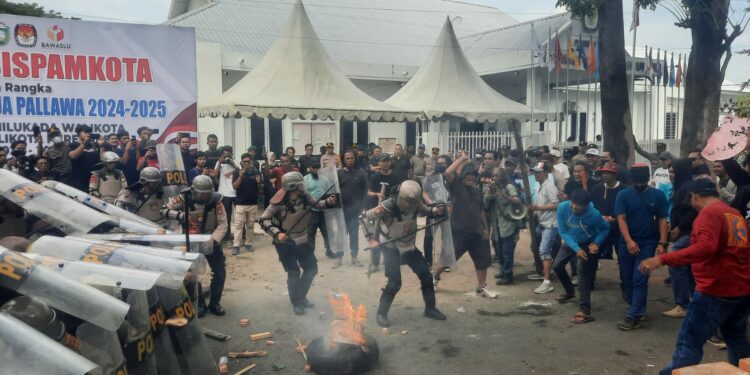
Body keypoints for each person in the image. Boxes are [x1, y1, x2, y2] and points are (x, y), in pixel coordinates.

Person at [638, 178, 750, 374]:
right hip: (740, 290)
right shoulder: (734, 214)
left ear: (694, 196)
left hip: (714, 291)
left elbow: (706, 248)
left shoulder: (708, 214)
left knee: (688, 343)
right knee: (738, 343)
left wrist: (663, 259)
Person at [363, 180, 447, 327]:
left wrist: (436, 211)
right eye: (406, 201)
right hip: (391, 248)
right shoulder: (388, 205)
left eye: (412, 202)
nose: (408, 205)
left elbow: (426, 211)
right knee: (395, 282)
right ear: (399, 197)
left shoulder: (416, 203)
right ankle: (381, 313)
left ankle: (430, 308)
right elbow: (364, 218)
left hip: (409, 247)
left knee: (426, 276)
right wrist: (371, 239)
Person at [258, 172, 338, 315]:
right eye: (301, 183)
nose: (303, 185)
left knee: (311, 269)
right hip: (285, 242)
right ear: (293, 186)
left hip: (302, 238)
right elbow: (263, 220)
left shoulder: (305, 196)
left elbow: (317, 204)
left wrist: (328, 202)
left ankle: (300, 297)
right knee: (294, 272)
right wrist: (277, 233)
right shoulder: (278, 202)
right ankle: (297, 302)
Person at [433, 151, 498, 298]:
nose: (471, 180)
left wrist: (486, 229)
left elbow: (481, 211)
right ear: (462, 177)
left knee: (482, 261)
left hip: (478, 232)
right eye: (468, 178)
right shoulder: (456, 187)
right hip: (459, 231)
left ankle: (481, 287)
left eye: (473, 178)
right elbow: (448, 172)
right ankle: (434, 277)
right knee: (448, 259)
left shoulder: (476, 191)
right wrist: (462, 159)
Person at [163, 175, 228, 317]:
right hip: (190, 241)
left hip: (210, 240)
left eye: (207, 193)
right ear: (193, 191)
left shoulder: (216, 201)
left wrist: (214, 240)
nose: (205, 196)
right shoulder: (183, 198)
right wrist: (180, 216)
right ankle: (199, 304)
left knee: (219, 271)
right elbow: (165, 209)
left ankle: (215, 302)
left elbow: (223, 223)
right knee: (191, 274)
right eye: (201, 193)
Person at [615, 163, 669, 331]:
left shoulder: (658, 195)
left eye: (642, 180)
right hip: (626, 242)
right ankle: (636, 307)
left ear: (647, 179)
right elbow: (621, 219)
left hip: (648, 242)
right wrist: (629, 241)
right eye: (636, 181)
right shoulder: (623, 195)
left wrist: (662, 243)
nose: (639, 184)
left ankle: (634, 315)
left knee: (640, 277)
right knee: (627, 279)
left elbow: (662, 220)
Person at [554, 189, 609, 323]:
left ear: (585, 205)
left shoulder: (594, 214)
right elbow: (563, 231)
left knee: (582, 273)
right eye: (572, 203)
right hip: (571, 241)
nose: (573, 206)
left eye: (577, 205)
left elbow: (605, 228)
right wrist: (576, 248)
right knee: (557, 266)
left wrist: (597, 243)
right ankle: (569, 291)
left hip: (588, 243)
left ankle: (584, 310)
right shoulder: (562, 208)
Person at [662, 158, 697, 319]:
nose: (672, 174)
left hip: (686, 232)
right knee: (688, 269)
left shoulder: (688, 187)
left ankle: (683, 304)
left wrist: (679, 227)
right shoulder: (681, 186)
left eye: (674, 170)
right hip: (683, 231)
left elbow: (692, 211)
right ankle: (692, 302)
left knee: (675, 262)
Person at [484, 168, 523, 285]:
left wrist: (503, 195)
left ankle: (508, 275)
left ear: (503, 176)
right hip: (497, 225)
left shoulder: (508, 187)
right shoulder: (491, 188)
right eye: (493, 176)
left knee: (507, 251)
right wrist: (490, 193)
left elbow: (517, 201)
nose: (495, 178)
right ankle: (503, 271)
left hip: (508, 224)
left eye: (497, 176)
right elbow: (485, 205)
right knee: (499, 250)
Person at [527, 161, 560, 294]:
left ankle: (547, 282)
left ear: (545, 173)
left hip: (550, 225)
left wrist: (537, 208)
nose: (535, 174)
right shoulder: (540, 186)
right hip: (542, 223)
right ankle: (544, 272)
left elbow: (556, 205)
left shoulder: (550, 186)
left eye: (538, 172)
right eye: (535, 171)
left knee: (544, 250)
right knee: (535, 247)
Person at [367, 156, 404, 269]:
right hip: (377, 209)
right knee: (375, 235)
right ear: (379, 163)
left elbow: (400, 193)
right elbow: (368, 192)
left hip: (391, 211)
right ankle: (375, 263)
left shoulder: (396, 177)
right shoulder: (374, 177)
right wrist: (376, 194)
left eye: (388, 161)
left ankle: (391, 260)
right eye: (383, 161)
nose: (385, 164)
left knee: (392, 235)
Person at [337, 150, 369, 266]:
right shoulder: (339, 173)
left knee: (354, 233)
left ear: (355, 159)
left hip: (355, 209)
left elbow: (365, 191)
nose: (350, 160)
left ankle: (354, 257)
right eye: (347, 159)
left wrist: (364, 207)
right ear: (343, 160)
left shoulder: (361, 173)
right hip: (342, 209)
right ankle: (339, 258)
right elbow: (335, 191)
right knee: (341, 235)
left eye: (351, 158)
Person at [590, 162, 626, 262]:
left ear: (615, 175)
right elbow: (592, 208)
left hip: (619, 229)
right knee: (593, 254)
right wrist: (601, 217)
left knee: (623, 257)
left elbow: (628, 210)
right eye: (603, 172)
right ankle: (589, 276)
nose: (604, 175)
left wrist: (614, 219)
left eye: (608, 172)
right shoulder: (597, 189)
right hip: (601, 228)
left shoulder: (624, 190)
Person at [230, 153, 264, 255]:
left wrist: (259, 182)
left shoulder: (256, 172)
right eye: (244, 161)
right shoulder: (236, 172)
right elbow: (234, 187)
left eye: (248, 161)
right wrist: (240, 176)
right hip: (240, 203)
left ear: (252, 162)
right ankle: (236, 245)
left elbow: (261, 190)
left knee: (250, 225)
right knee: (238, 225)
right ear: (241, 162)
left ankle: (248, 243)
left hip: (253, 203)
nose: (246, 163)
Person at [304, 161, 333, 258]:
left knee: (327, 232)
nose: (316, 170)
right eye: (314, 167)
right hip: (311, 211)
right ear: (310, 168)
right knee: (311, 233)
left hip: (324, 211)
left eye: (317, 167)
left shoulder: (325, 179)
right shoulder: (305, 179)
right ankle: (310, 255)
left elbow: (330, 193)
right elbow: (303, 196)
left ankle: (330, 250)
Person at [213, 146, 237, 240]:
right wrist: (220, 162)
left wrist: (231, 163)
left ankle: (241, 236)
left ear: (232, 153)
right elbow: (214, 175)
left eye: (229, 153)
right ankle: (227, 237)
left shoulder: (235, 161)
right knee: (226, 217)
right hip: (224, 193)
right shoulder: (219, 163)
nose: (227, 156)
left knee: (239, 217)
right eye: (225, 153)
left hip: (235, 193)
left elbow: (238, 171)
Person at [67, 125, 101, 191]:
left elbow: (102, 159)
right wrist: (84, 143)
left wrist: (102, 146)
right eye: (86, 132)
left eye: (89, 132)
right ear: (78, 133)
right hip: (78, 181)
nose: (88, 134)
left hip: (94, 180)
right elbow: (73, 156)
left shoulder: (95, 145)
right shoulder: (73, 145)